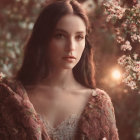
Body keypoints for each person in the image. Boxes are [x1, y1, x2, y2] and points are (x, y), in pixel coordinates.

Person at [0, 0, 119, 140]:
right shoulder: (11, 98)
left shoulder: (99, 104)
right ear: (43, 39)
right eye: (60, 36)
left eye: (79, 37)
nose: (71, 47)